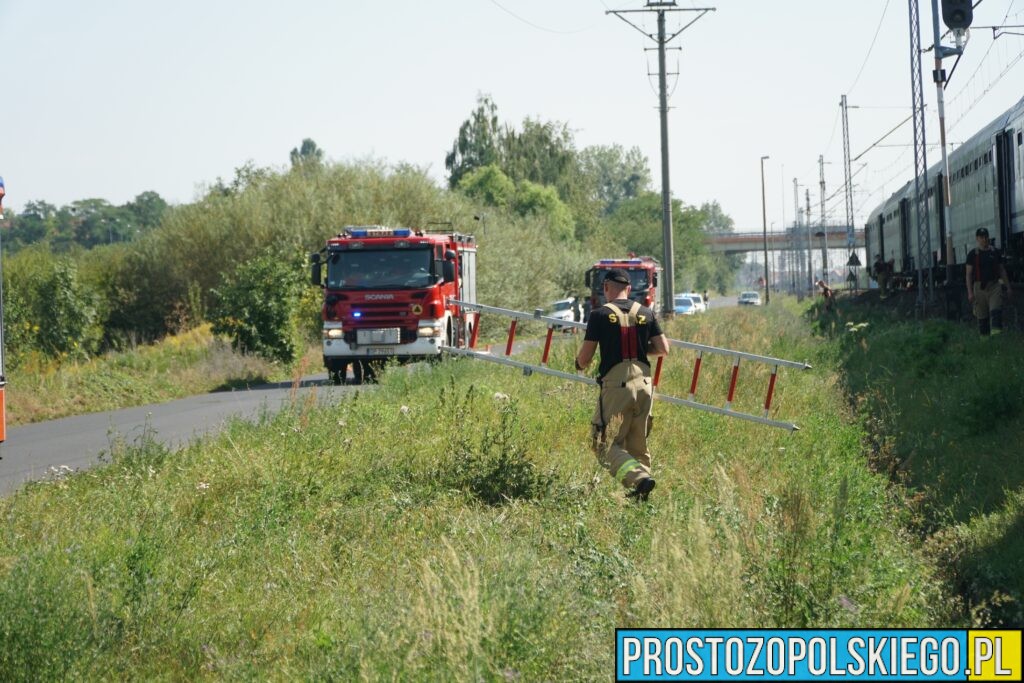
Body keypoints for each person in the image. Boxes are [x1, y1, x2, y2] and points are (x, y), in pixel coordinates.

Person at [575, 269, 670, 501]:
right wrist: (639, 348)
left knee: (602, 443)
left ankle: (638, 480)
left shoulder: (599, 315)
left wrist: (579, 365)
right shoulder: (646, 313)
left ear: (606, 287)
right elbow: (663, 349)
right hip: (645, 384)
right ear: (628, 288)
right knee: (638, 444)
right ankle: (641, 497)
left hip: (617, 386)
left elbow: (585, 359)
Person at [966, 227, 1012, 336]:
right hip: (979, 288)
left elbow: (1001, 270)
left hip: (994, 286)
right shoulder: (973, 254)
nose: (984, 239)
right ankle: (986, 344)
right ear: (977, 238)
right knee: (982, 319)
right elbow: (968, 275)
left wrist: (1008, 287)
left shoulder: (995, 252)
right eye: (982, 237)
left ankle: (997, 338)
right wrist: (970, 293)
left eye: (986, 237)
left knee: (996, 312)